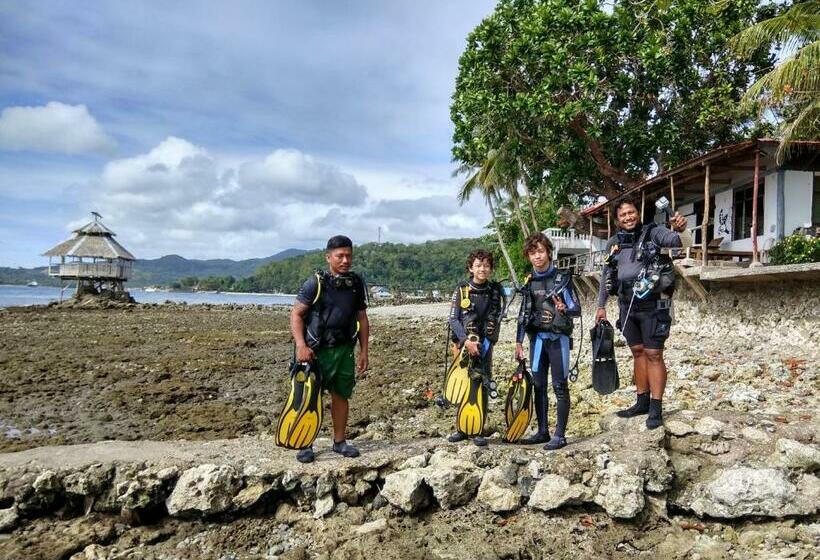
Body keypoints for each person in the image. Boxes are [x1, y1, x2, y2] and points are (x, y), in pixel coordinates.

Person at [595, 197, 691, 429]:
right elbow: (607, 274)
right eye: (623, 215)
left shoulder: (654, 232)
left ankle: (656, 408)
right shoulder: (613, 243)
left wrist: (681, 229)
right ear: (617, 220)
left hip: (653, 305)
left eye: (631, 212)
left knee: (654, 354)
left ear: (638, 213)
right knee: (637, 352)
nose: (628, 217)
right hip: (627, 306)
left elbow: (680, 242)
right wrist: (601, 306)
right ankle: (642, 401)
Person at [290, 235, 370, 463]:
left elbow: (362, 318)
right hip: (317, 350)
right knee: (310, 397)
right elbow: (296, 314)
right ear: (328, 257)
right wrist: (301, 345)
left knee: (341, 395)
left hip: (344, 349)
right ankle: (305, 443)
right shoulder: (315, 283)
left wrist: (364, 351)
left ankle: (339, 441)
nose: (345, 260)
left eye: (349, 256)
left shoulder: (355, 284)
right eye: (340, 256)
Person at [514, 233, 581, 450]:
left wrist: (565, 309)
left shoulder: (562, 279)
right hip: (538, 342)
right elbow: (523, 314)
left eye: (540, 251)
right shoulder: (529, 282)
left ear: (549, 252)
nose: (537, 257)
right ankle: (542, 432)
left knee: (560, 386)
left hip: (558, 340)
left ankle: (560, 435)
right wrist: (518, 342)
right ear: (528, 256)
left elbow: (576, 309)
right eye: (533, 253)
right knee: (539, 385)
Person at [446, 249, 503, 447]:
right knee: (463, 383)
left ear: (491, 268)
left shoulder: (495, 290)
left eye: (486, 265)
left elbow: (497, 317)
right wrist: (465, 341)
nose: (482, 269)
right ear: (471, 268)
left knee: (483, 383)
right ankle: (461, 429)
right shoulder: (462, 290)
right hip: (463, 344)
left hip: (485, 344)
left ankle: (478, 429)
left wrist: (488, 340)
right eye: (478, 265)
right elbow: (453, 319)